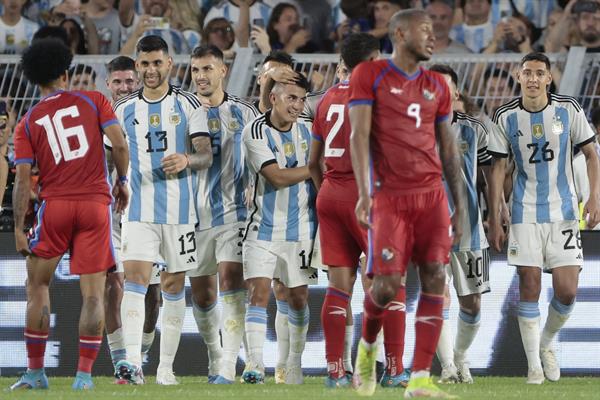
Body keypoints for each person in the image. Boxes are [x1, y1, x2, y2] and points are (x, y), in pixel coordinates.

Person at [349, 9, 464, 398]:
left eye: (434, 29)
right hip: (390, 197)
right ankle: (366, 350)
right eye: (425, 30)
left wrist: (459, 205)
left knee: (435, 276)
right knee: (385, 286)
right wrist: (365, 194)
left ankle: (419, 380)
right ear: (399, 33)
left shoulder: (438, 86)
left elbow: (449, 150)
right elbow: (358, 137)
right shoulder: (370, 75)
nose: (433, 36)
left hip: (431, 195)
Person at [10, 37, 130, 390]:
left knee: (37, 287)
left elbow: (21, 180)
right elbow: (119, 143)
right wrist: (121, 180)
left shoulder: (28, 122)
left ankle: (35, 373)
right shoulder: (94, 100)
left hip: (55, 206)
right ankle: (83, 377)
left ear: (34, 79)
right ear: (66, 71)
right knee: (93, 295)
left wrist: (20, 227)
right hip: (95, 205)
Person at [487, 51, 600, 384]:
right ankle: (534, 365)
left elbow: (591, 155)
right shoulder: (504, 116)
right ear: (519, 77)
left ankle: (547, 342)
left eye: (539, 73)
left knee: (566, 291)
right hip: (524, 211)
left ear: (549, 78)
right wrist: (496, 213)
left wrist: (595, 196)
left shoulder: (568, 109)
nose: (533, 79)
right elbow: (496, 169)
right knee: (530, 285)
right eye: (527, 73)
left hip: (564, 212)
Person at [113, 35, 211, 386]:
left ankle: (165, 369)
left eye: (157, 62)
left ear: (170, 63)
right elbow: (112, 155)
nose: (151, 70)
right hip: (137, 210)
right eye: (144, 63)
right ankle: (131, 364)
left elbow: (205, 155)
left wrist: (187, 158)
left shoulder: (189, 105)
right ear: (136, 66)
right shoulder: (122, 110)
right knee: (135, 282)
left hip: (180, 213)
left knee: (172, 287)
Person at [308, 32, 387, 389]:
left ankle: (335, 371)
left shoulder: (325, 100)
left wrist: (326, 189)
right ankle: (384, 367)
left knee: (338, 289)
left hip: (330, 194)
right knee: (384, 287)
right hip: (366, 197)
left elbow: (313, 161)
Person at [186, 44, 259, 385]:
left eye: (207, 69)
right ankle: (216, 355)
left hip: (235, 213)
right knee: (202, 295)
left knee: (231, 281)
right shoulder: (183, 110)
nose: (201, 76)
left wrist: (255, 186)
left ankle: (229, 365)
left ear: (222, 71)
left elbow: (262, 152)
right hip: (192, 216)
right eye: (196, 70)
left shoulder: (244, 113)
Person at [241, 73, 316, 385]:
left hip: (302, 229)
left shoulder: (311, 131)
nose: (296, 105)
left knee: (298, 299)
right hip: (263, 228)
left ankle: (293, 363)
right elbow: (277, 176)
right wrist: (315, 168)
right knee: (258, 293)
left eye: (300, 99)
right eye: (290, 98)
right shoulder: (254, 131)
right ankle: (255, 364)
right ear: (273, 98)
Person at [429, 63, 492, 385]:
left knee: (473, 302)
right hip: (430, 227)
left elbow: (488, 175)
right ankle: (449, 367)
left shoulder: (474, 129)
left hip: (469, 226)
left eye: (445, 86)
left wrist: (498, 210)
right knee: (439, 295)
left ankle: (461, 355)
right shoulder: (413, 129)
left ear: (455, 92)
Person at [103, 55, 163, 381]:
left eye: (129, 81)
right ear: (108, 84)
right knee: (114, 285)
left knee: (152, 296)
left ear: (137, 81)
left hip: (149, 212)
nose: (124, 87)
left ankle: (140, 353)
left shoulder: (151, 114)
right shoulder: (100, 118)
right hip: (112, 216)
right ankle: (122, 365)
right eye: (118, 82)